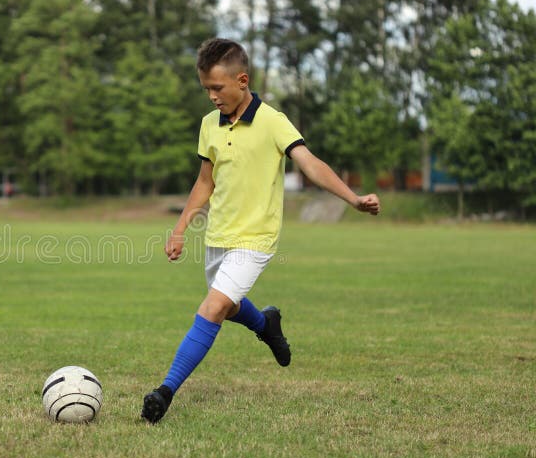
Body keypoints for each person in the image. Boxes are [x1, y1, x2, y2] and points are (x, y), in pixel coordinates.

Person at [141, 38, 380, 424]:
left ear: (242, 80)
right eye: (206, 89)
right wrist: (181, 227)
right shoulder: (209, 125)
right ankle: (266, 323)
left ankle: (164, 391)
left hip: (256, 240)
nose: (211, 96)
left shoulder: (273, 121)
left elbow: (310, 164)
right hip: (218, 236)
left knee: (213, 308)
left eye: (217, 88)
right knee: (230, 305)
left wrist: (351, 199)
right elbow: (205, 181)